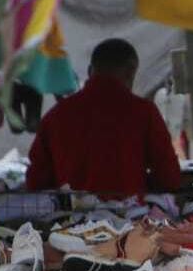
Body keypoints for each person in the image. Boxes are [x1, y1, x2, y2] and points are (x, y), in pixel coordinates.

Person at [26, 39, 181, 196]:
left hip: (69, 217)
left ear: (90, 71)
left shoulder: (56, 116)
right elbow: (169, 178)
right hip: (130, 216)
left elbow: (36, 181)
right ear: (130, 71)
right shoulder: (144, 113)